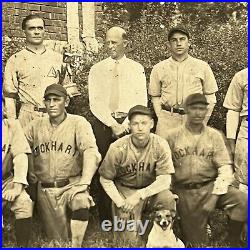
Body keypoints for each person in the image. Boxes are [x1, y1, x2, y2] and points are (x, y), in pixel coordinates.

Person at [24, 84, 101, 247]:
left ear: (66, 102)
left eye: (56, 100)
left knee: (81, 201)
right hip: (46, 190)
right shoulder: (35, 125)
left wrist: (85, 182)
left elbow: (91, 152)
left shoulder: (78, 123)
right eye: (48, 100)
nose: (51, 104)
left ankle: (77, 245)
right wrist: (30, 171)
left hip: (71, 185)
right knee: (57, 240)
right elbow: (20, 149)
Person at [166, 93, 248, 247]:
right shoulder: (172, 136)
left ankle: (233, 240)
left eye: (202, 109)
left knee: (242, 200)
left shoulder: (214, 136)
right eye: (194, 108)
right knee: (197, 243)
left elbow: (225, 168)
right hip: (185, 191)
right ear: (186, 109)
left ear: (206, 111)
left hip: (210, 186)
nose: (198, 113)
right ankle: (187, 227)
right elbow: (165, 170)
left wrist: (214, 196)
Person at [88, 26, 147, 221]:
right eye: (107, 42)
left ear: (125, 44)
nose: (110, 46)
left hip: (129, 124)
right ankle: (106, 216)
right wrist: (113, 124)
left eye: (115, 42)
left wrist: (127, 123)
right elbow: (94, 102)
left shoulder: (136, 68)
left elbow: (141, 101)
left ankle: (128, 214)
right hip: (104, 124)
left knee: (128, 168)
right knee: (105, 168)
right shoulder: (97, 69)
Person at [99, 105, 176, 243]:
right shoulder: (117, 147)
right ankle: (139, 226)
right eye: (135, 123)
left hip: (151, 190)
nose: (140, 128)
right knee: (128, 243)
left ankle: (165, 236)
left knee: (167, 198)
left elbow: (165, 179)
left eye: (144, 123)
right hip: (125, 190)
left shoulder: (160, 144)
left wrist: (140, 195)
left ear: (151, 124)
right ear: (129, 125)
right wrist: (119, 201)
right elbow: (105, 179)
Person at [149, 26, 218, 138]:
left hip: (193, 118)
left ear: (189, 43)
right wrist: (160, 117)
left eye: (182, 39)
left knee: (192, 154)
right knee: (164, 153)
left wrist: (203, 121)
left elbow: (210, 97)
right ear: (168, 45)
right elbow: (155, 96)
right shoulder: (159, 68)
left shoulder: (202, 66)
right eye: (174, 40)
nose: (178, 43)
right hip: (167, 120)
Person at [3, 14, 69, 128]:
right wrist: (12, 125)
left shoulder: (57, 58)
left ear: (44, 30)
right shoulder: (15, 60)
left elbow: (67, 90)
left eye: (40, 28)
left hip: (54, 116)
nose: (36, 32)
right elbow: (9, 97)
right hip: (28, 116)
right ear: (24, 32)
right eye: (32, 28)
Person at [2, 99, 33, 247]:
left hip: (5, 180)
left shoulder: (11, 126)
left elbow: (20, 156)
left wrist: (18, 185)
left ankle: (23, 245)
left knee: (24, 202)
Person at [223, 68, 248, 192]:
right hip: (247, 129)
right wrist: (231, 141)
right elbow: (233, 110)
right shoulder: (242, 76)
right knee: (244, 178)